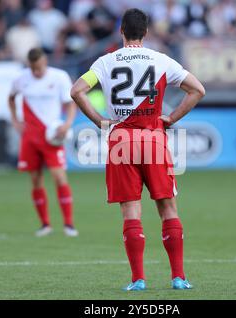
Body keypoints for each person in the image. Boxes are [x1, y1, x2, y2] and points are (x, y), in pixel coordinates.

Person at [71, 8, 205, 291]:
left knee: (131, 211)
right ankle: (178, 277)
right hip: (154, 139)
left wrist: (99, 121)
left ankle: (138, 280)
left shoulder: (105, 62)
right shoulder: (161, 60)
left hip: (120, 141)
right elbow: (197, 90)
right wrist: (171, 118)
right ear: (145, 33)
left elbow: (77, 90)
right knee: (167, 207)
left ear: (121, 31)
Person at [8, 48, 78, 237]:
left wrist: (68, 123)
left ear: (44, 61)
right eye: (33, 69)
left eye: (38, 68)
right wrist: (15, 120)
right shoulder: (21, 78)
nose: (36, 72)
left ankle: (69, 224)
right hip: (30, 136)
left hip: (51, 136)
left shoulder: (59, 77)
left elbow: (71, 102)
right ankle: (45, 224)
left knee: (59, 177)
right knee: (35, 180)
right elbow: (11, 97)